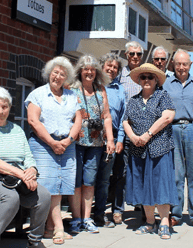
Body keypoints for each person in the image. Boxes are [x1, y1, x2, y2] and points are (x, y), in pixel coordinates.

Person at [0, 87, 51, 248]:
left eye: (4, 107)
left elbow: (28, 157)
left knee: (44, 195)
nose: (0, 111)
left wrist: (31, 171)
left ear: (9, 108)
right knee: (10, 197)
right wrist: (21, 174)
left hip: (14, 180)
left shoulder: (17, 130)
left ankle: (34, 241)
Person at [25, 56, 82, 244]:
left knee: (59, 185)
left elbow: (78, 120)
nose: (57, 76)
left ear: (66, 78)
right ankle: (58, 227)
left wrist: (68, 140)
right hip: (43, 145)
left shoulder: (71, 96)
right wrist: (52, 142)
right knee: (48, 186)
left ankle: (49, 228)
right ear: (49, 73)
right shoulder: (37, 95)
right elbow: (33, 121)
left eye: (62, 74)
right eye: (55, 72)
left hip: (67, 145)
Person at [123, 63, 178, 240]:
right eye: (143, 77)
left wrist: (147, 135)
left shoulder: (163, 96)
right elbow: (126, 121)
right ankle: (149, 222)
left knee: (162, 185)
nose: (147, 80)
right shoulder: (133, 100)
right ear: (139, 80)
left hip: (159, 148)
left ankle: (163, 223)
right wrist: (132, 137)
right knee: (142, 185)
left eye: (150, 77)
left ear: (156, 80)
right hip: (138, 149)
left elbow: (167, 117)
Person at [163, 49, 193, 230]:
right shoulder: (166, 84)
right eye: (178, 64)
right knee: (176, 175)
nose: (181, 67)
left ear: (190, 65)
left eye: (185, 64)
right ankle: (175, 214)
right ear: (173, 65)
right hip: (172, 129)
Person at [70, 54, 115, 233]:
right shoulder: (72, 88)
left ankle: (87, 218)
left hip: (96, 142)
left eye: (92, 69)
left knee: (89, 182)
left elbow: (107, 116)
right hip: (76, 141)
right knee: (76, 182)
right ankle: (76, 219)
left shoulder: (100, 89)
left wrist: (110, 139)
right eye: (85, 68)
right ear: (79, 71)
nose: (89, 72)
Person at [94, 53, 127, 228]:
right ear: (102, 66)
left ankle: (100, 215)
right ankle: (86, 215)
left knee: (106, 178)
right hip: (93, 135)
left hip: (112, 136)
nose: (111, 69)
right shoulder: (94, 85)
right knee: (90, 176)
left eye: (115, 67)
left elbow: (123, 118)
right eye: (109, 65)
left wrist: (120, 139)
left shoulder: (120, 90)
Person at [116, 41, 145, 224]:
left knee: (141, 172)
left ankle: (142, 206)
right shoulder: (120, 76)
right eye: (132, 54)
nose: (135, 57)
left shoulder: (146, 75)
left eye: (138, 54)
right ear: (126, 55)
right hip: (124, 131)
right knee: (121, 172)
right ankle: (118, 208)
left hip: (144, 133)